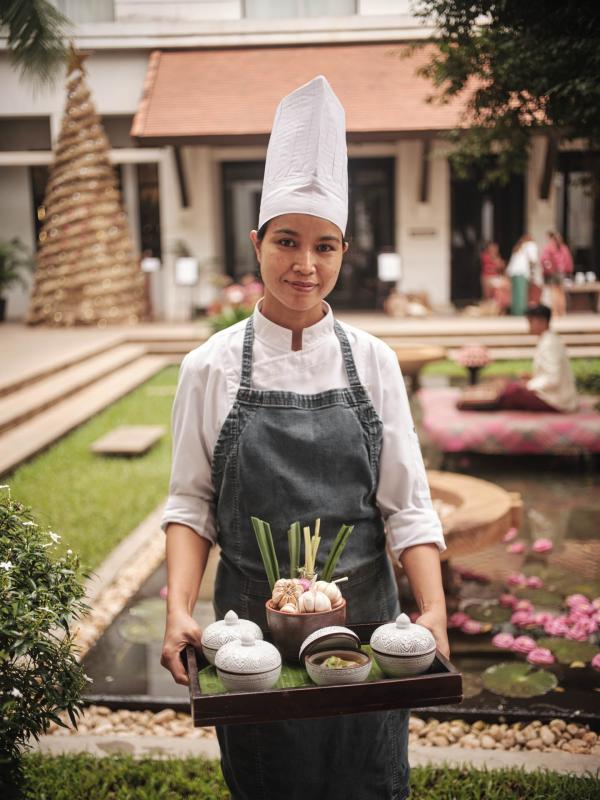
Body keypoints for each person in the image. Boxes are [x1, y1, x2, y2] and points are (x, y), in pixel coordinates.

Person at [160, 76, 448, 800]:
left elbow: (407, 506)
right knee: (269, 783)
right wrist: (177, 610)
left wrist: (435, 609)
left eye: (325, 246)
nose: (305, 266)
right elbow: (191, 503)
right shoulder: (210, 367)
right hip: (250, 635)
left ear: (344, 251)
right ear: (256, 242)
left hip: (367, 625)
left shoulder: (375, 363)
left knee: (368, 782)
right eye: (287, 241)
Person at [459, 305, 578, 412]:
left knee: (512, 391)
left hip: (556, 401)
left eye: (531, 322)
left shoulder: (550, 344)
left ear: (541, 322)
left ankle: (476, 404)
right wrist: (531, 378)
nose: (529, 326)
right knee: (507, 385)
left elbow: (553, 378)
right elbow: (549, 374)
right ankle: (478, 402)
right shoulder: (548, 340)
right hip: (552, 395)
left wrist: (528, 385)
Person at [540, 231, 574, 317]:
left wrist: (545, 270)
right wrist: (568, 271)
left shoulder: (549, 247)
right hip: (561, 272)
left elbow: (544, 259)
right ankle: (562, 311)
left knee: (554, 292)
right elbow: (568, 261)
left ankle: (554, 311)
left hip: (552, 272)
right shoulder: (564, 248)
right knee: (561, 292)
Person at [506, 234, 539, 315]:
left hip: (513, 272)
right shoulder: (531, 245)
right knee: (521, 293)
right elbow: (532, 261)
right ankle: (521, 312)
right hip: (521, 272)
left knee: (515, 294)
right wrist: (533, 273)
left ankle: (515, 311)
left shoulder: (519, 247)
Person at [479, 241, 509, 313]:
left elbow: (501, 266)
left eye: (495, 248)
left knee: (499, 292)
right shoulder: (485, 256)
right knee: (487, 295)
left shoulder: (497, 256)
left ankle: (498, 309)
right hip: (487, 277)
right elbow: (496, 263)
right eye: (493, 248)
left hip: (495, 277)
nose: (495, 249)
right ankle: (486, 309)